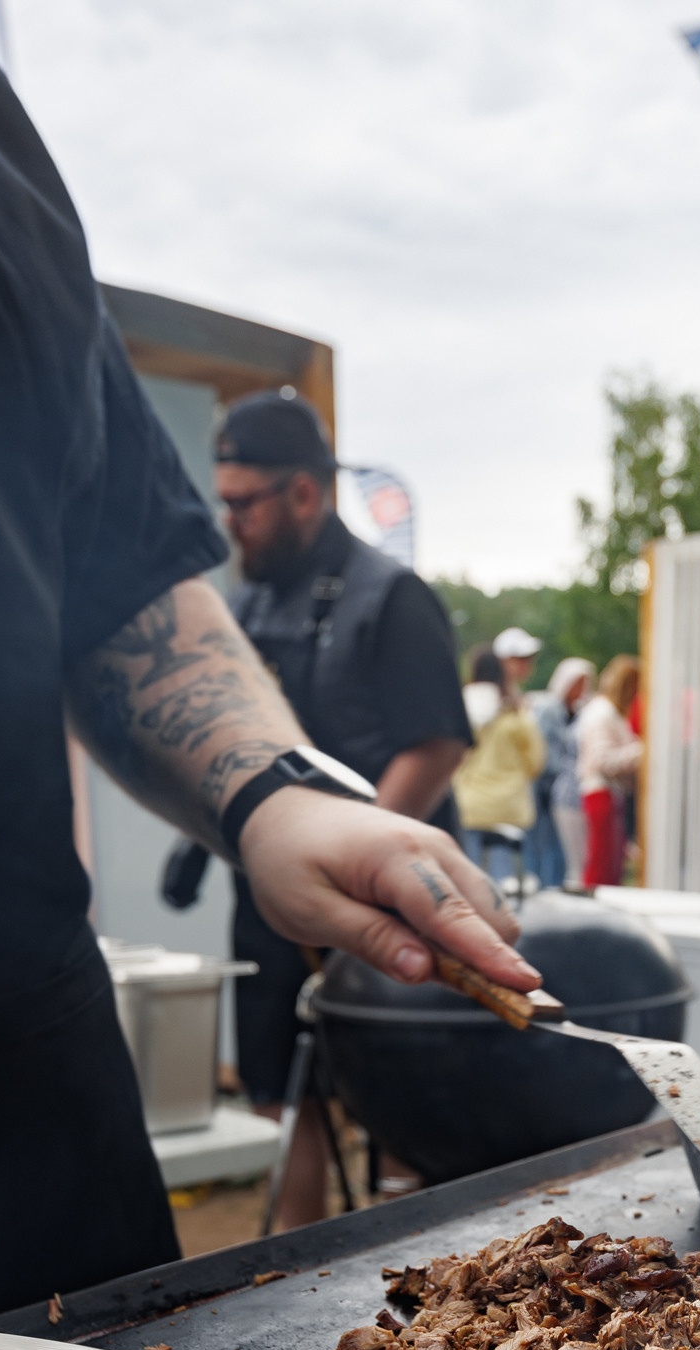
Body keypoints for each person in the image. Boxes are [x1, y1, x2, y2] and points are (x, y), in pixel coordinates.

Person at [0, 25, 536, 1322]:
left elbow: (114, 581)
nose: (231, 523)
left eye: (249, 499)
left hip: (23, 1089)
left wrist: (278, 796)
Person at [213, 390, 472, 1226]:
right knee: (280, 1089)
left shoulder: (391, 596)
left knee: (396, 1091)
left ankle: (412, 1251)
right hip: (270, 888)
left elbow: (436, 744)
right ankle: (292, 1252)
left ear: (303, 492)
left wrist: (357, 868)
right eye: (223, 503)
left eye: (244, 503)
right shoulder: (244, 603)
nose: (232, 524)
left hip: (388, 896)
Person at [453, 650, 547, 880]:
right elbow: (536, 761)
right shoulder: (515, 716)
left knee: (469, 880)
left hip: (469, 804)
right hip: (508, 806)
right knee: (503, 885)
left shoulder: (459, 712)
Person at [528, 657, 594, 889]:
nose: (581, 690)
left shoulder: (577, 711)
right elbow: (542, 747)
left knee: (559, 846)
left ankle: (554, 887)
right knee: (540, 841)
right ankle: (539, 886)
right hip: (544, 783)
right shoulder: (548, 708)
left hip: (563, 786)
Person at [577, 655, 643, 887]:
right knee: (602, 865)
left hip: (609, 795)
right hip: (601, 794)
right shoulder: (602, 713)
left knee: (611, 865)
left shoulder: (606, 712)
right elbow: (602, 760)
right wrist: (641, 751)